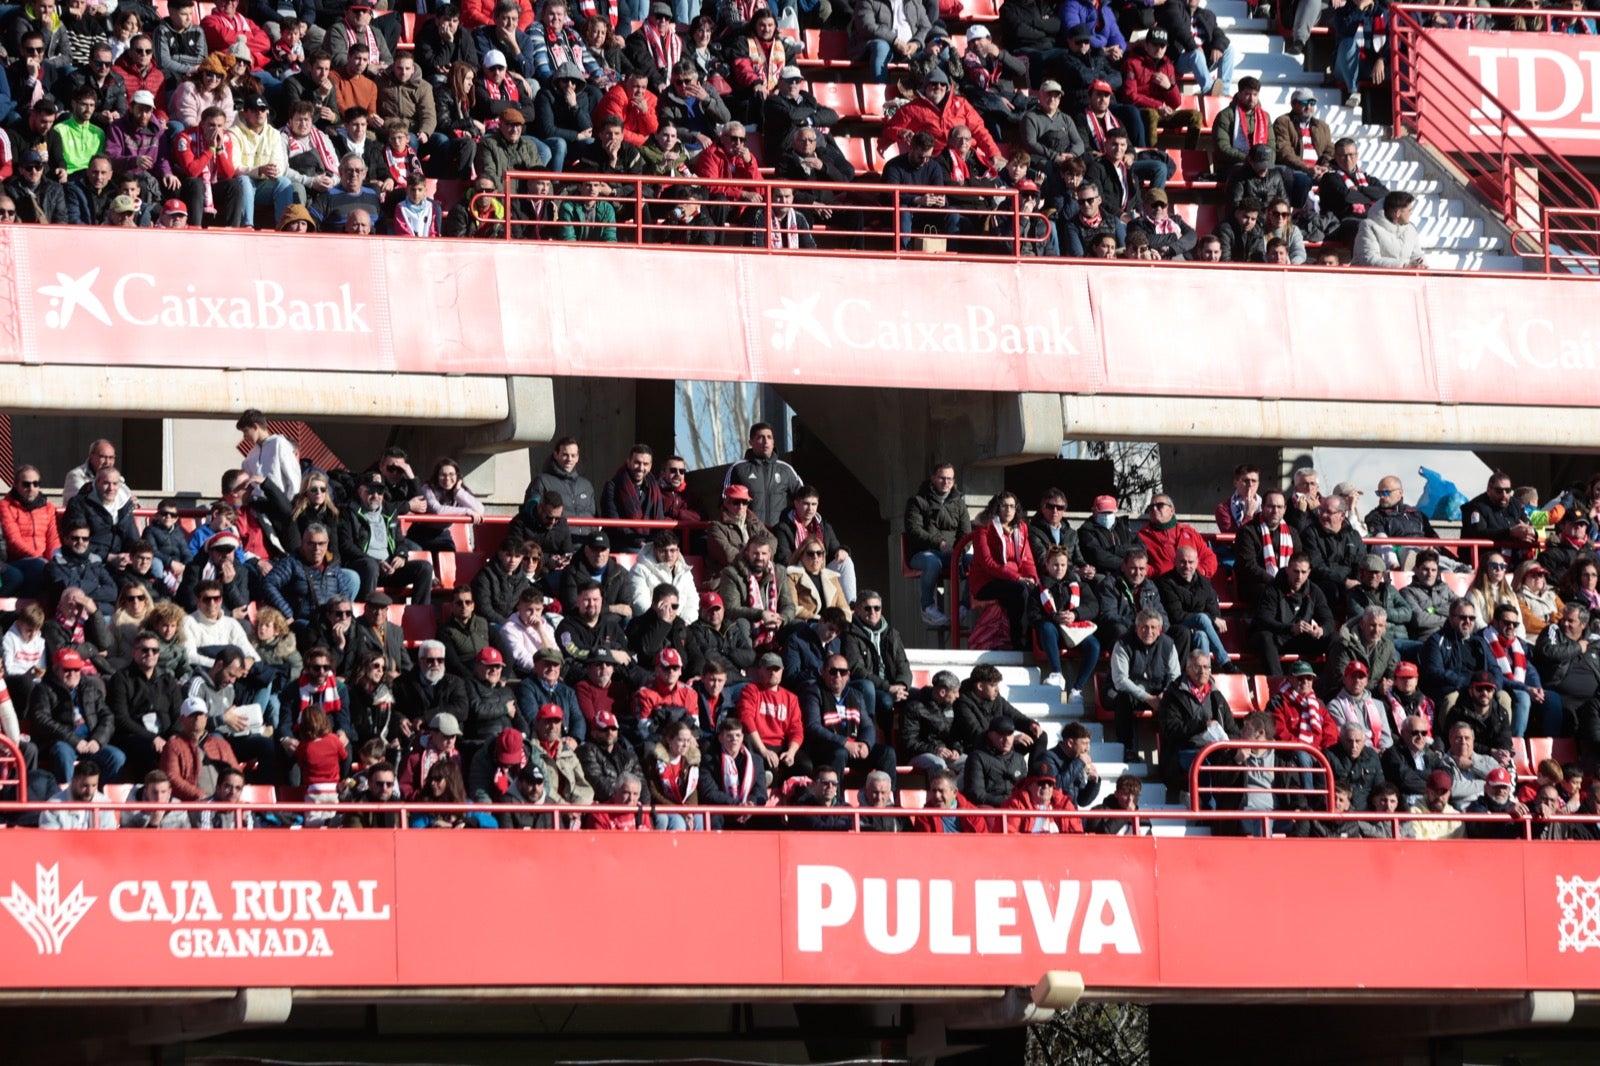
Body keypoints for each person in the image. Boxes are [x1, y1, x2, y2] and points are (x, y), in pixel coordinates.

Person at [967, 491, 1037, 650]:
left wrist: (1033, 578)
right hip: (987, 582)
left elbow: (1027, 560)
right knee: (1019, 591)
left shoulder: (1021, 528)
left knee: (1037, 590)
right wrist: (1017, 578)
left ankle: (1033, 642)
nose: (1008, 510)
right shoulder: (984, 527)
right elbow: (987, 563)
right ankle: (1016, 640)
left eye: (1012, 506)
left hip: (1013, 580)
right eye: (1004, 506)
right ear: (997, 507)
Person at [905, 461, 970, 627]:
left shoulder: (959, 503)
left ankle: (964, 607)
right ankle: (927, 607)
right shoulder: (917, 501)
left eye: (950, 479)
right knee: (933, 562)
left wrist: (960, 552)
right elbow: (914, 531)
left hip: (953, 554)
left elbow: (966, 533)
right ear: (933, 478)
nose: (946, 482)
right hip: (923, 553)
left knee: (977, 562)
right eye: (942, 478)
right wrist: (939, 544)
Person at [1251, 552, 1334, 675]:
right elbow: (1264, 619)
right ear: (1287, 570)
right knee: (1265, 637)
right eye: (1296, 571)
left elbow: (1329, 620)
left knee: (1334, 637)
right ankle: (1277, 682)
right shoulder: (1273, 589)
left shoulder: (1315, 591)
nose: (1299, 576)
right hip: (1278, 638)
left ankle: (1330, 681)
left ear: (1309, 572)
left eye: (1303, 572)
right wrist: (1290, 628)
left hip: (1301, 638)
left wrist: (1321, 630)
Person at [1034, 545, 1101, 695]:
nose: (1059, 569)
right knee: (1046, 627)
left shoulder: (1079, 585)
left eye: (1063, 565)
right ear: (1047, 565)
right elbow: (1033, 615)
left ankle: (1077, 689)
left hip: (1075, 631)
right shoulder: (1038, 588)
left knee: (1094, 646)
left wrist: (1075, 614)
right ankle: (1056, 673)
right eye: (1055, 565)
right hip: (1054, 634)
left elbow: (1093, 607)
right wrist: (1054, 617)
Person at [1158, 544, 1230, 673]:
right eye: (1183, 562)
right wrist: (1208, 619)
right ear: (1175, 561)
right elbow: (1176, 615)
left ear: (1197, 562)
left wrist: (1206, 620)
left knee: (1201, 635)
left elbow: (1214, 611)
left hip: (1199, 631)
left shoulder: (1205, 583)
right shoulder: (1166, 583)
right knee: (1202, 618)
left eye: (1190, 562)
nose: (1187, 566)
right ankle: (1225, 663)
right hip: (1176, 630)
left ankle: (1204, 675)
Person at [698, 715, 768, 828]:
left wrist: (751, 803)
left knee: (770, 819)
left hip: (748, 811)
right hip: (722, 810)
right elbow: (709, 792)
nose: (734, 739)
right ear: (720, 738)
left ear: (742, 737)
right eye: (729, 736)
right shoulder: (709, 760)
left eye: (738, 735)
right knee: (714, 818)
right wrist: (736, 805)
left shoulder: (756, 761)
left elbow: (760, 791)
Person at [1352, 189, 1425, 269]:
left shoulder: (1411, 229)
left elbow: (1417, 256)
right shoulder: (1369, 227)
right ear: (1398, 213)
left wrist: (1422, 265)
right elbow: (1369, 259)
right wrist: (1403, 266)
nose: (1411, 213)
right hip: (1369, 276)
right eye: (1409, 210)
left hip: (1403, 276)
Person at [39, 758, 119, 830]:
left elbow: (109, 836)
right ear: (73, 781)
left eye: (94, 785)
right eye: (85, 786)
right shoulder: (53, 806)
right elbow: (50, 838)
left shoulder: (105, 803)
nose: (90, 791)